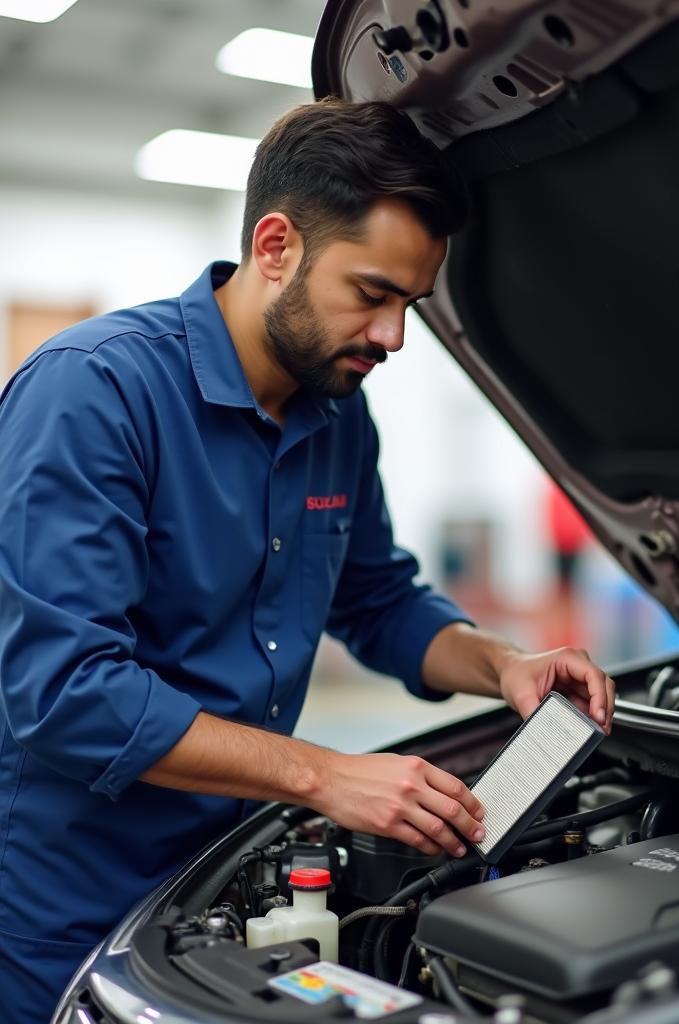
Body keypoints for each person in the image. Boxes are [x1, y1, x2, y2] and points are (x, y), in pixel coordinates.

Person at [0, 98, 615, 1023]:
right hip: (64, 919)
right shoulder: (96, 392)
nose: (393, 338)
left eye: (410, 304)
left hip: (225, 884)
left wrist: (503, 665)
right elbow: (67, 692)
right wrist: (326, 773)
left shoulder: (336, 414)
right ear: (277, 246)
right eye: (371, 294)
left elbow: (377, 604)